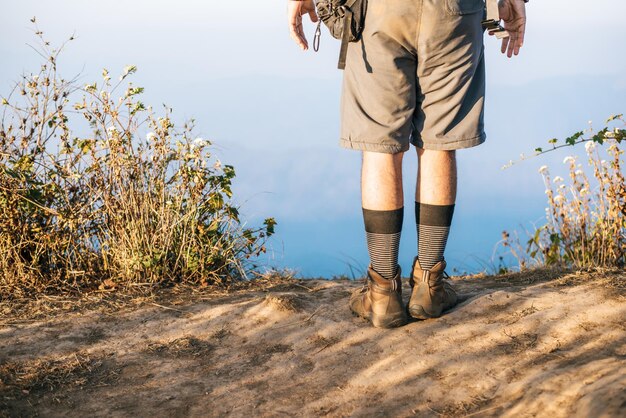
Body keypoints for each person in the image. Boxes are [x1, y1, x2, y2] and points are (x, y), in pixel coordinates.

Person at [287, 0, 527, 328]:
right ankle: (429, 288)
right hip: (454, 13)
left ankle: (383, 293)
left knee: (380, 148)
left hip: (379, 12)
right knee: (438, 143)